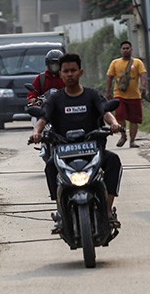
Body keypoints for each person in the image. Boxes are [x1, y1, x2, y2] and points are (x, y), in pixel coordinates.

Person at [30, 53, 123, 231]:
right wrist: (36, 132)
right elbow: (43, 118)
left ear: (81, 72)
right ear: (61, 74)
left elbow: (105, 112)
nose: (70, 74)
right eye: (66, 71)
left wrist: (114, 124)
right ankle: (60, 211)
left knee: (113, 160)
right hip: (64, 152)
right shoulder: (55, 99)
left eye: (73, 70)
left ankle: (107, 210)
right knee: (50, 167)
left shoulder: (92, 95)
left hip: (92, 150)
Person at [105, 41, 147, 148]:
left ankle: (132, 141)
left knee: (134, 120)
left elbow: (143, 75)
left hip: (135, 96)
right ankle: (123, 136)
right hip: (119, 95)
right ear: (120, 50)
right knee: (119, 117)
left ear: (131, 50)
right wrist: (107, 91)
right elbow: (109, 77)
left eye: (127, 48)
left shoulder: (137, 62)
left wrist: (143, 86)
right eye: (123, 48)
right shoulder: (115, 63)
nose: (126, 50)